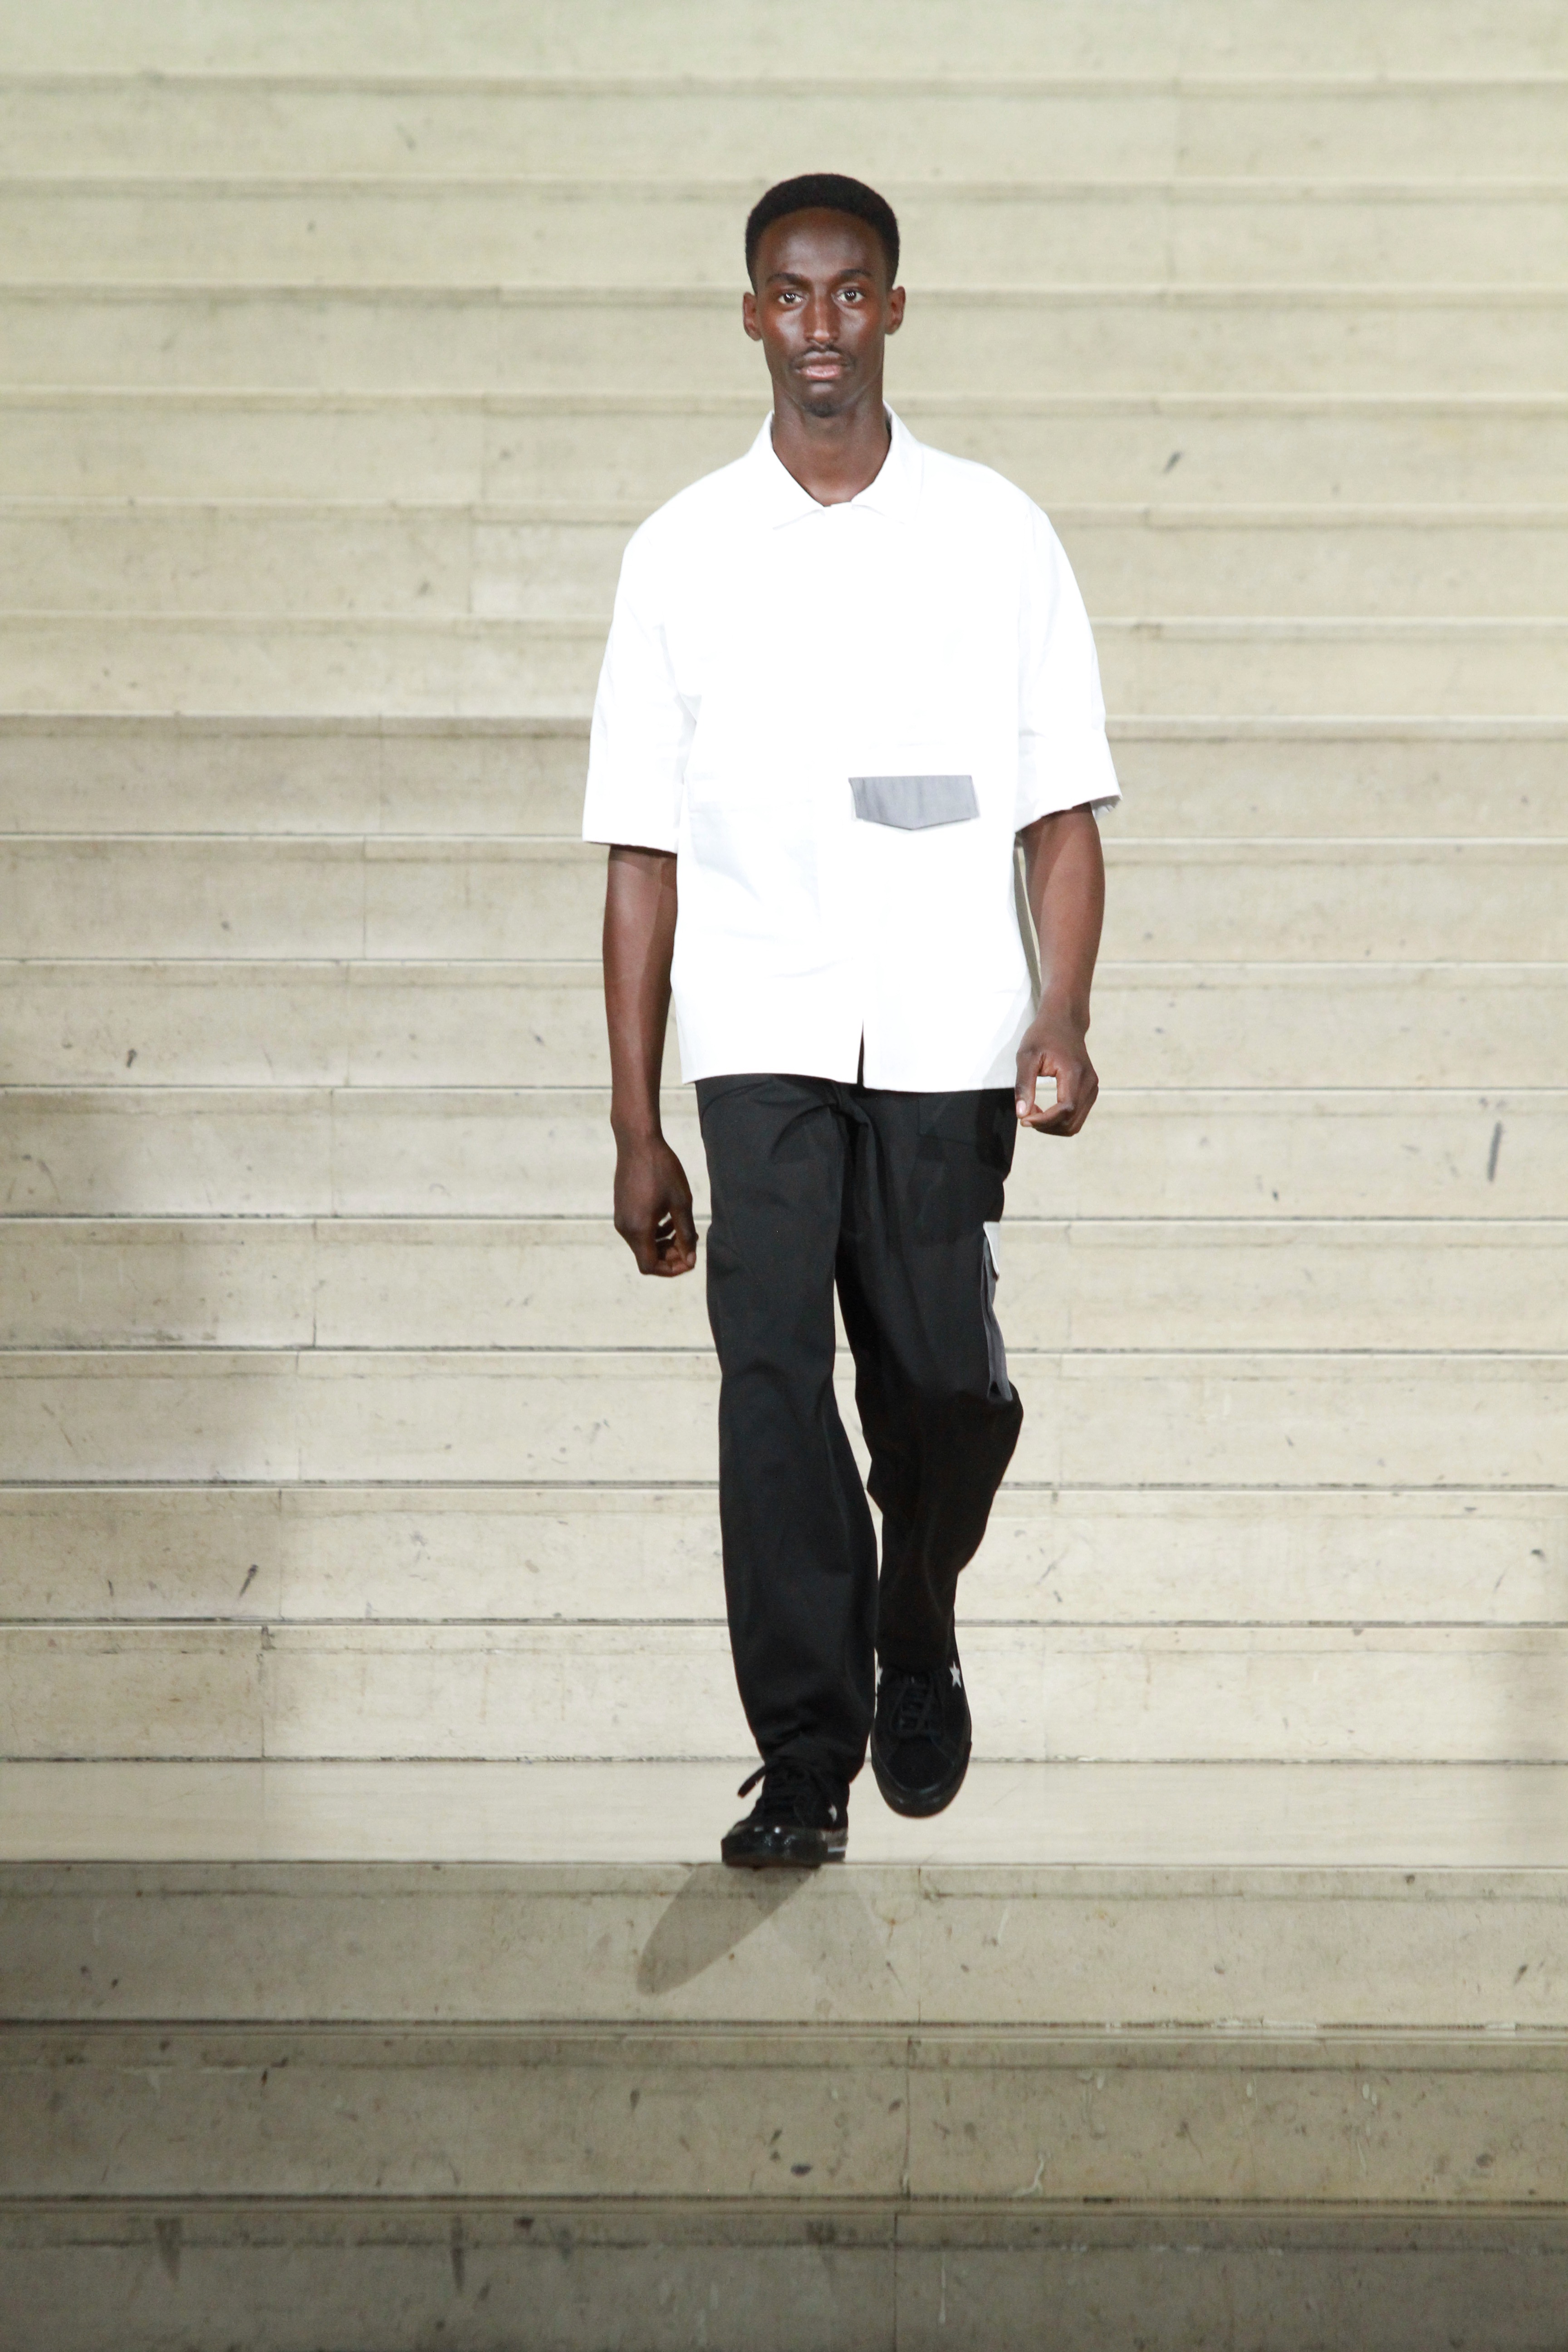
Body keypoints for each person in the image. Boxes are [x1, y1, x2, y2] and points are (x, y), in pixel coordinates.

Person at [584, 172, 1117, 1867]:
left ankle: (916, 1616)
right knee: (768, 1378)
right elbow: (642, 853)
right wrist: (634, 1121)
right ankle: (806, 1757)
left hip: (949, 1030)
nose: (820, 322)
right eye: (790, 292)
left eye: (850, 289)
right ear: (752, 315)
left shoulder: (995, 534)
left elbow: (1061, 814)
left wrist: (1062, 1011)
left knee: (945, 1388)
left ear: (892, 306)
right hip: (760, 1029)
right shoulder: (680, 554)